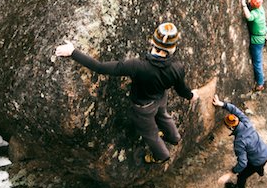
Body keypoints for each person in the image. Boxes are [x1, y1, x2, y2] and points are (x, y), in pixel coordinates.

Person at [55, 22, 199, 163]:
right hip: (161, 99)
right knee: (163, 116)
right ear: (172, 48)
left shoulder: (136, 65)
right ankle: (174, 137)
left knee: (150, 133)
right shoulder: (177, 68)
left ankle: (162, 155)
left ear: (153, 41)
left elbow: (100, 67)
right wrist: (191, 96)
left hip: (143, 107)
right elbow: (182, 90)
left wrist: (73, 52)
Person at [213, 95, 267, 188]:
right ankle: (260, 171)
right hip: (266, 152)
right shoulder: (246, 122)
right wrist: (221, 104)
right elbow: (236, 110)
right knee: (260, 164)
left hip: (256, 160)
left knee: (242, 175)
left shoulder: (239, 142)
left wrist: (230, 173)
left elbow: (242, 163)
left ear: (231, 128)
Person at [240, 0, 267, 91]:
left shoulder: (254, 14)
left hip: (257, 41)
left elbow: (248, 17)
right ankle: (260, 82)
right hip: (262, 36)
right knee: (258, 61)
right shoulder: (260, 9)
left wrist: (243, 3)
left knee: (257, 63)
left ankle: (260, 84)